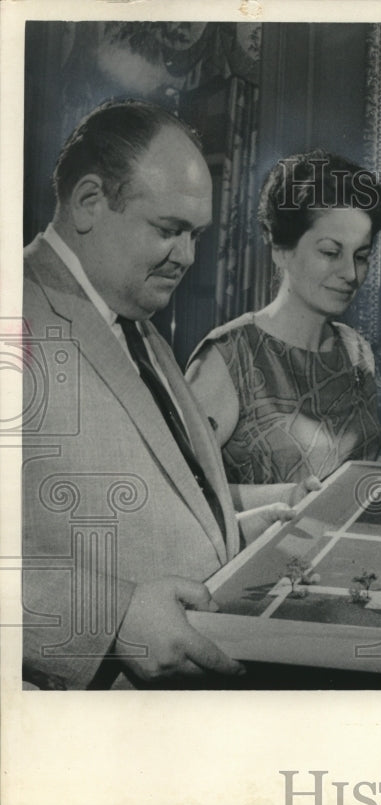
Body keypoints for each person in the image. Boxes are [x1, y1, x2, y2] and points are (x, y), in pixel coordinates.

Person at [21, 100, 294, 690]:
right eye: (169, 231)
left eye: (195, 235)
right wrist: (111, 618)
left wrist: (236, 529)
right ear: (90, 202)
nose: (189, 257)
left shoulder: (135, 318)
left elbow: (135, 506)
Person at [186, 151, 381, 485]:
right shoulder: (227, 357)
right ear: (281, 249)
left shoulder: (356, 352)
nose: (351, 273)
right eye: (330, 252)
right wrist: (291, 500)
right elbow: (180, 498)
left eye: (362, 256)